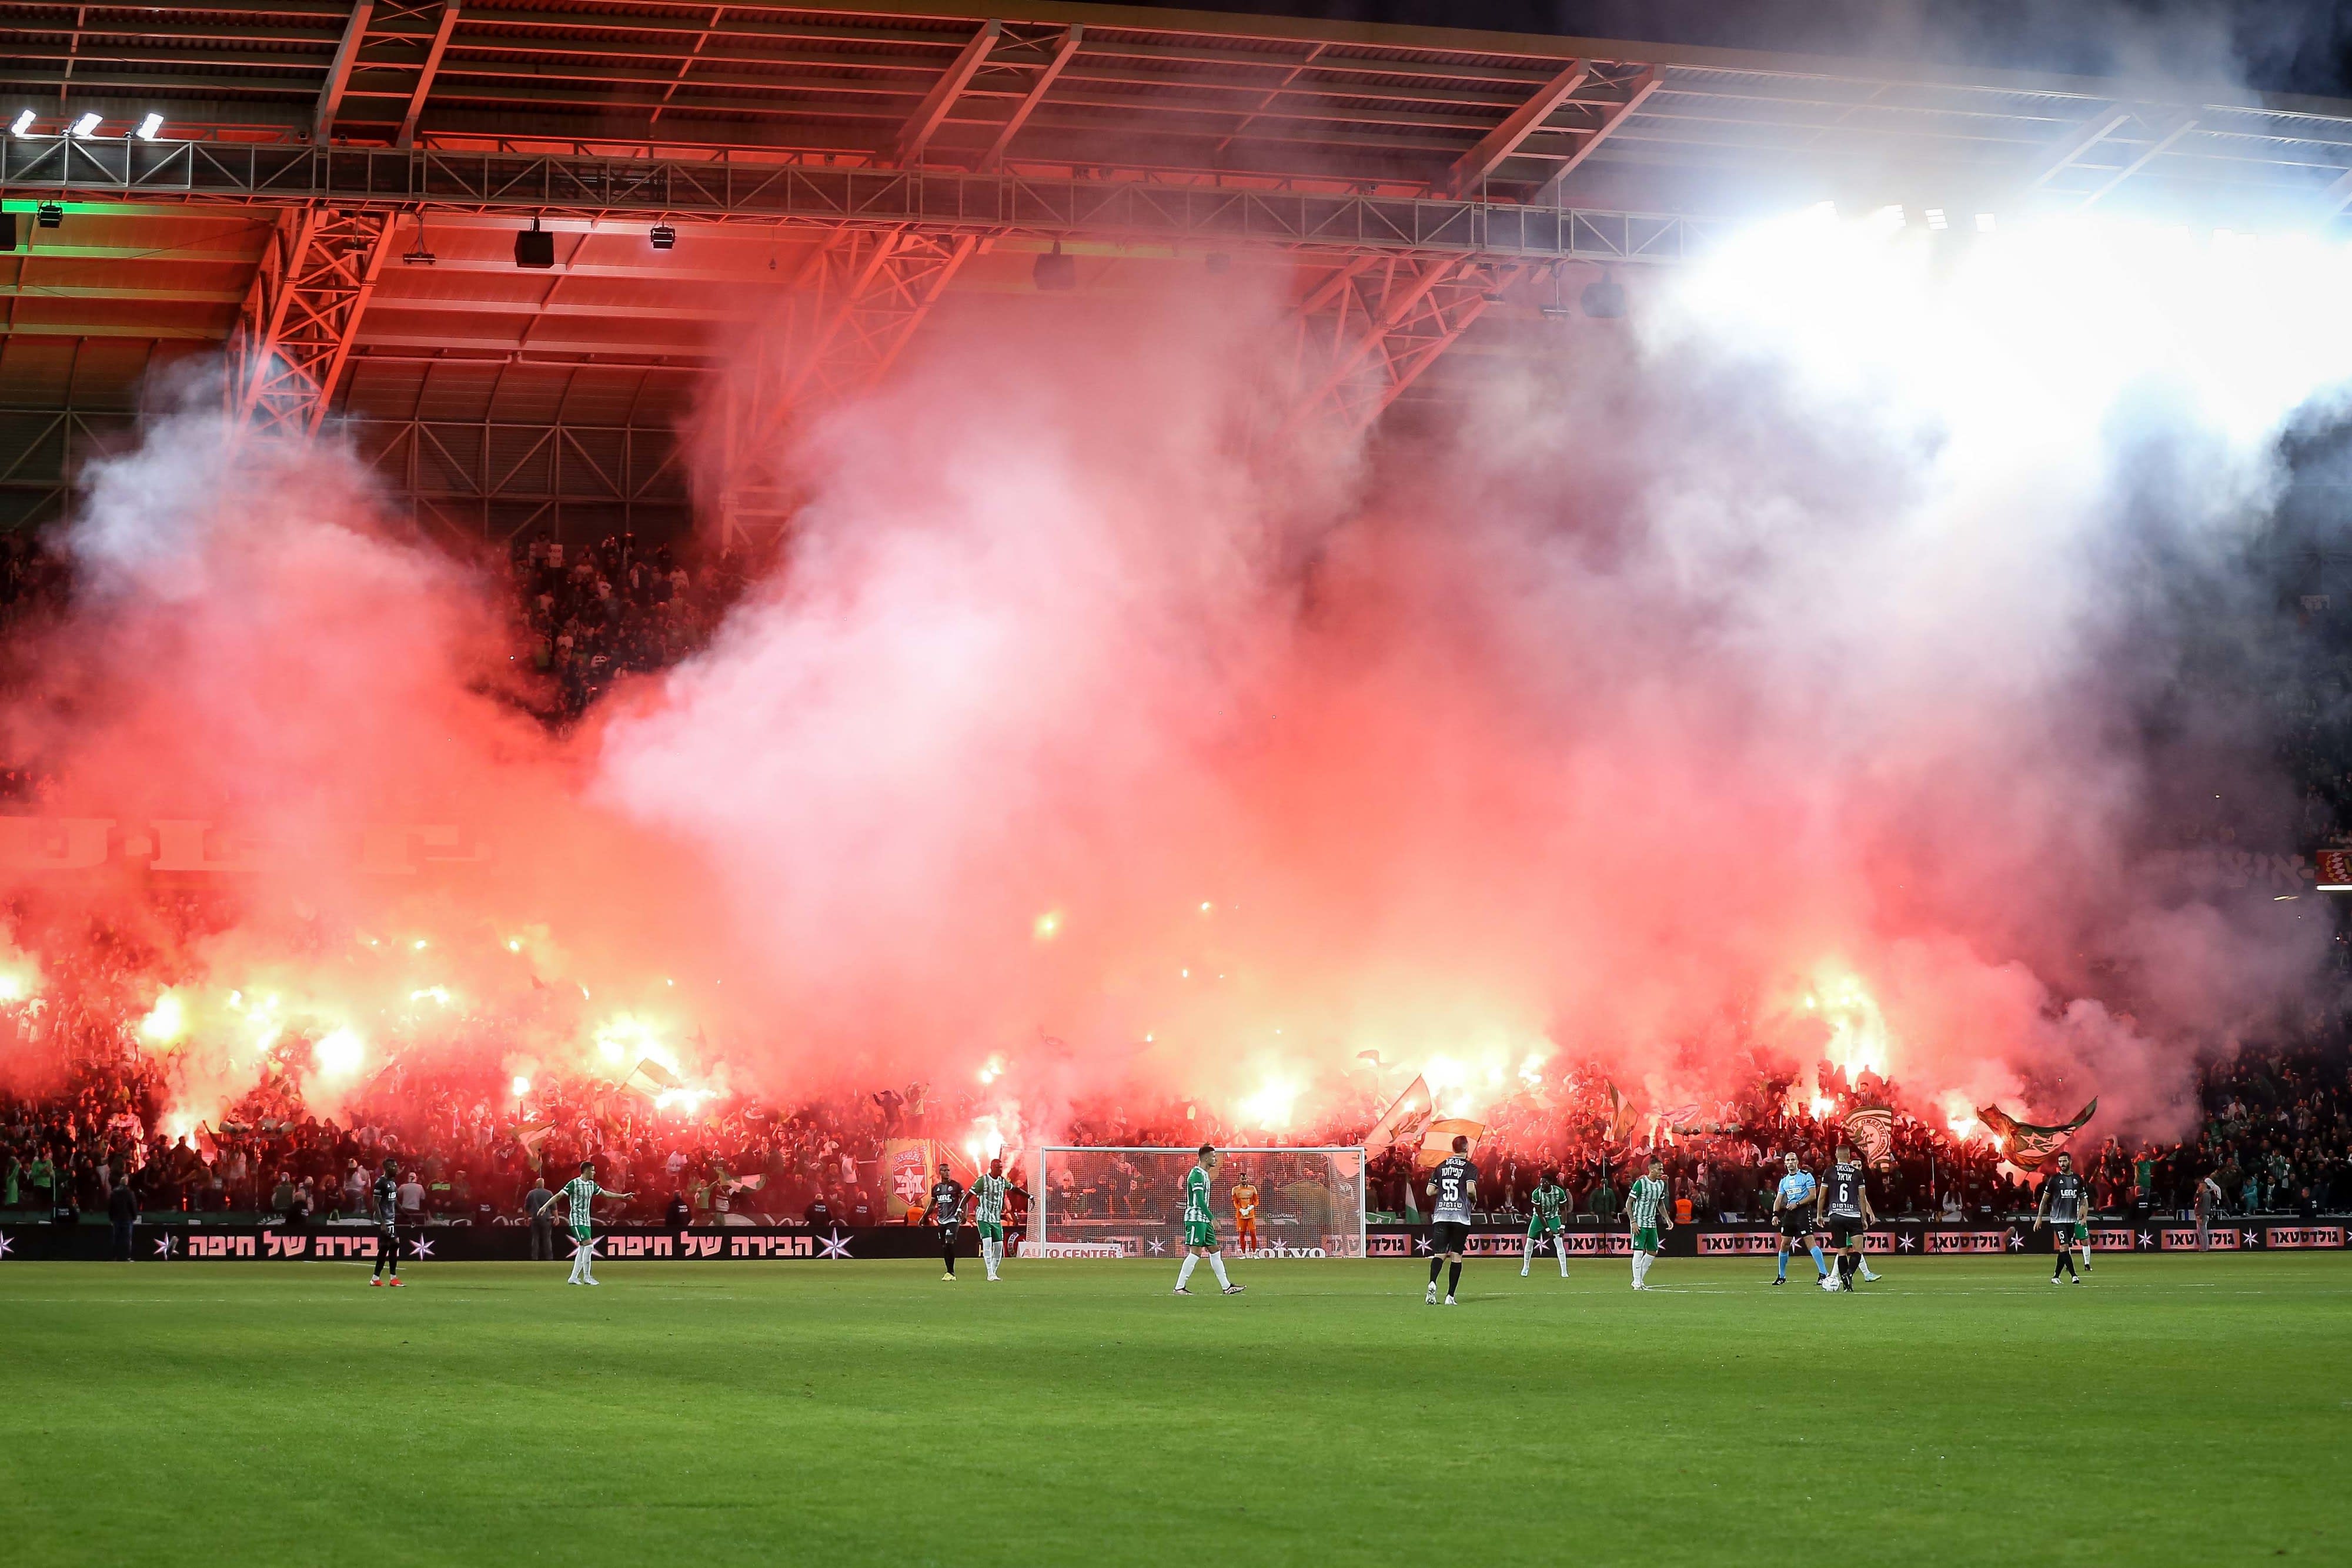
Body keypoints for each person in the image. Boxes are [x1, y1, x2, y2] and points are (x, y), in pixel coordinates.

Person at [1174, 1144, 1243, 1296]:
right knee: (1195, 1253)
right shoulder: (1196, 1174)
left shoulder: (1206, 1175)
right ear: (1205, 1158)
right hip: (1196, 1219)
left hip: (1204, 1220)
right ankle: (1179, 1287)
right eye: (1213, 1157)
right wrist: (1212, 1219)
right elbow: (1199, 1200)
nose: (1216, 1159)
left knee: (1215, 1251)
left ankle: (1227, 1287)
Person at [556, 1159, 633, 1286]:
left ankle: (574, 1278)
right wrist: (545, 1207)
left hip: (586, 1220)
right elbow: (559, 1196)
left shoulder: (592, 1185)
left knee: (582, 1249)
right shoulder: (574, 1183)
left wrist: (622, 1196)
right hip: (576, 1219)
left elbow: (606, 1194)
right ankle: (587, 1277)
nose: (594, 1172)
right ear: (586, 1171)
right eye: (592, 1170)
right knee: (589, 1246)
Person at [1423, 1135, 1476, 1306]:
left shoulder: (1441, 1166)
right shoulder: (1470, 1168)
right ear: (1466, 1148)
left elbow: (1429, 1191)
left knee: (1439, 1253)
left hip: (1441, 1215)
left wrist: (1444, 1195)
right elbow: (1470, 1190)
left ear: (1453, 1148)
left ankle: (1432, 1283)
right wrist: (1474, 1199)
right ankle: (1450, 1296)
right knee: (1456, 1256)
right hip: (1460, 1217)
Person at [1816, 1142, 1875, 1292]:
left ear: (1836, 1156)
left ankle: (1847, 1283)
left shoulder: (1829, 1172)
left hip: (1835, 1216)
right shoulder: (1857, 1173)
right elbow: (1862, 1198)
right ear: (1849, 1157)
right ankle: (1849, 1274)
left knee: (1841, 1252)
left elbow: (1822, 1196)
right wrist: (1863, 1218)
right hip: (1853, 1215)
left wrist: (1819, 1215)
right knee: (1858, 1250)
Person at [2035, 1152, 2091, 1284]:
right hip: (2057, 1220)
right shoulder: (2054, 1179)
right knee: (2065, 1246)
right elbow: (2044, 1201)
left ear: (2070, 1162)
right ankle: (2074, 1275)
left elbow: (2083, 1199)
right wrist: (2039, 1218)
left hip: (2071, 1220)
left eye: (2064, 1161)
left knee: (2064, 1249)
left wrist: (2083, 1211)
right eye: (2060, 1162)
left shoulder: (2077, 1179)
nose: (2062, 1164)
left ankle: (2056, 1276)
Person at [1770, 1152, 1825, 1286]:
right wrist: (1775, 1214)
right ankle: (1781, 1276)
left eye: (1793, 1159)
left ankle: (1823, 1274)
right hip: (1790, 1212)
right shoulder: (1784, 1180)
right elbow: (1779, 1199)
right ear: (1785, 1163)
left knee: (1810, 1242)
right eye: (1788, 1160)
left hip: (1802, 1210)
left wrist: (1798, 1204)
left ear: (1797, 1162)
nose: (1790, 1162)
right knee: (1784, 1244)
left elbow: (1813, 1196)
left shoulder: (1806, 1176)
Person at [1626, 1157, 1671, 1290]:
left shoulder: (1661, 1184)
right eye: (1659, 1169)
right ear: (1651, 1170)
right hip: (1639, 1221)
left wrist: (1667, 1219)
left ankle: (1639, 1280)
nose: (1662, 1171)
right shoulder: (1640, 1184)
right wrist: (1633, 1221)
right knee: (1638, 1252)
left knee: (1653, 1251)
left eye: (1662, 1169)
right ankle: (1637, 1282)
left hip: (1651, 1223)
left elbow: (1660, 1203)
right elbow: (1629, 1203)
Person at [1520, 1167, 1570, 1278]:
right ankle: (1526, 1267)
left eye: (1545, 1183)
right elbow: (1540, 1213)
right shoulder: (1536, 1194)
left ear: (1551, 1183)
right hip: (1539, 1218)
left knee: (1559, 1242)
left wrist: (1562, 1226)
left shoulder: (1559, 1192)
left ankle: (1564, 1271)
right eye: (1541, 1182)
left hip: (1553, 1217)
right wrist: (1547, 1229)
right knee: (1530, 1241)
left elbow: (1563, 1209)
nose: (1542, 1185)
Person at [970, 1158, 1011, 1282]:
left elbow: (1014, 1189)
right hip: (984, 1217)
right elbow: (969, 1194)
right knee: (987, 1244)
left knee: (999, 1247)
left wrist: (1030, 1197)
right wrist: (960, 1210)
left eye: (1001, 1167)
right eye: (998, 1167)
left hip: (996, 1219)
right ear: (992, 1167)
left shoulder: (1002, 1182)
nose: (1001, 1169)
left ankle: (993, 1273)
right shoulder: (983, 1181)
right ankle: (990, 1273)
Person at [370, 1158, 405, 1288]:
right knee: (395, 1244)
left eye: (396, 1166)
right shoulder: (380, 1183)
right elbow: (375, 1204)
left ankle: (375, 1278)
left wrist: (405, 1214)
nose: (396, 1168)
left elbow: (394, 1201)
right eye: (393, 1167)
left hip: (391, 1219)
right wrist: (383, 1223)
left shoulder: (393, 1183)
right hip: (385, 1220)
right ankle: (393, 1278)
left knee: (385, 1247)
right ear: (386, 1168)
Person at [928, 1161, 965, 1281]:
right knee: (944, 1246)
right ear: (940, 1173)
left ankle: (951, 1272)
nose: (947, 1172)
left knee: (950, 1243)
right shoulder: (936, 1189)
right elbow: (932, 1205)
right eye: (944, 1170)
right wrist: (924, 1217)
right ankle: (948, 1272)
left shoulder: (956, 1186)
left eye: (948, 1170)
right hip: (941, 1221)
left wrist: (964, 1214)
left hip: (953, 1219)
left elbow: (964, 1200)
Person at [108, 1169, 138, 1261]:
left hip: (116, 1218)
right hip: (127, 1219)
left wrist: (111, 1218)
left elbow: (110, 1206)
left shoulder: (114, 1192)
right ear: (127, 1183)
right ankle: (126, 1257)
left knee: (116, 1239)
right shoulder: (130, 1193)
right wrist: (134, 1217)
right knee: (127, 1239)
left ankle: (115, 1256)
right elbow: (133, 1205)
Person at [524, 1176, 556, 1261]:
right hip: (546, 1220)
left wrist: (526, 1218)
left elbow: (526, 1208)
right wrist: (557, 1217)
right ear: (543, 1185)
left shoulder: (531, 1194)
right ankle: (549, 1258)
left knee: (535, 1239)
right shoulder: (549, 1193)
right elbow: (554, 1207)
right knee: (547, 1239)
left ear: (536, 1184)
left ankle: (534, 1258)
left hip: (535, 1219)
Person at [1231, 1170, 1261, 1255]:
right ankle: (1244, 1254)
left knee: (1253, 1233)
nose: (1244, 1181)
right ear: (1239, 1180)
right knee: (1242, 1235)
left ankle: (1254, 1253)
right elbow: (1235, 1202)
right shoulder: (1235, 1190)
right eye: (1242, 1179)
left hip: (1251, 1215)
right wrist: (1241, 1210)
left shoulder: (1252, 1188)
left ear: (1248, 1179)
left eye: (1245, 1179)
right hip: (1241, 1216)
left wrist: (1251, 1207)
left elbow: (1257, 1201)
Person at [2195, 1169, 2223, 1251]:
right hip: (2199, 1214)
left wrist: (2202, 1215)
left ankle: (2205, 1248)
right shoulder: (2202, 1194)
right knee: (2201, 1233)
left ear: (2204, 1186)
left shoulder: (2206, 1195)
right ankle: (2203, 1247)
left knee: (2203, 1233)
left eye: (2200, 1186)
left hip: (2202, 1215)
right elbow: (2195, 1200)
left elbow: (2205, 1206)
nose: (2199, 1187)